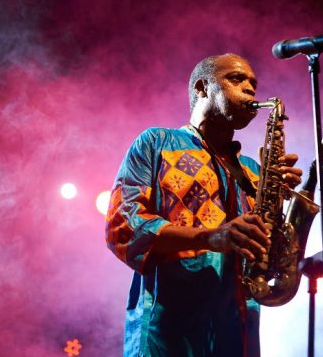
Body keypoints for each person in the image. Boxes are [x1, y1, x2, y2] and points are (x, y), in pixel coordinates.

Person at [105, 53, 303, 356]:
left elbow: (265, 256)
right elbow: (124, 226)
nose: (250, 88)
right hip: (168, 332)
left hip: (238, 331)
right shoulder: (156, 142)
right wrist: (210, 237)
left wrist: (284, 229)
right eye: (236, 79)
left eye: (253, 83)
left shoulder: (253, 172)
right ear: (202, 88)